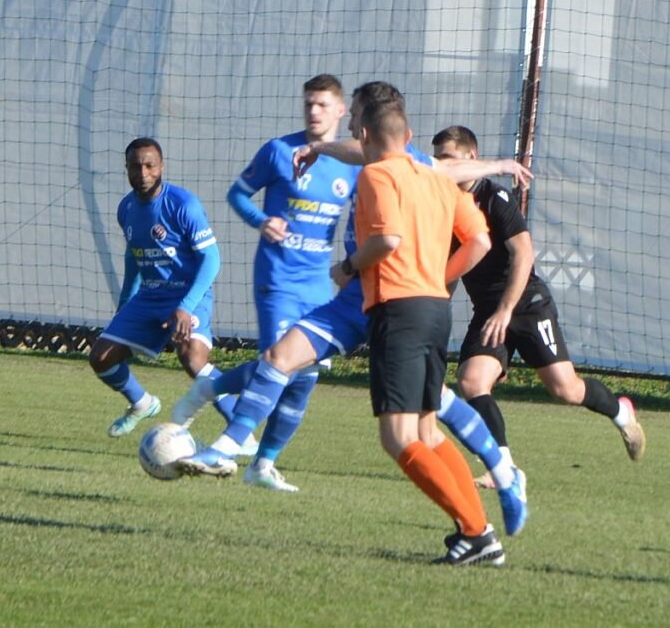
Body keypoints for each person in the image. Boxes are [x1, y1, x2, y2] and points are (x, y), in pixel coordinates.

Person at [176, 83, 527, 540]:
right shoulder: (386, 160)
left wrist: (374, 270)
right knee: (281, 358)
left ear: (366, 126)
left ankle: (498, 483)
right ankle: (228, 447)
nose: (350, 129)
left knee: (426, 418)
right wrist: (319, 148)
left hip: (392, 300)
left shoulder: (407, 168)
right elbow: (468, 227)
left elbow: (435, 219)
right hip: (365, 300)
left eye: (353, 118)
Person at [432, 125, 646, 485]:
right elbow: (451, 267)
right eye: (438, 159)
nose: (443, 166)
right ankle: (503, 468)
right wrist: (435, 310)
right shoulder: (442, 204)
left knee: (565, 389)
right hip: (490, 312)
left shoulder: (496, 198)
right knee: (471, 382)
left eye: (448, 158)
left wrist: (506, 309)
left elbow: (524, 253)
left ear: (471, 157)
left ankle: (621, 412)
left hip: (528, 306)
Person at [171, 74, 361, 465]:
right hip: (278, 279)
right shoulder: (278, 151)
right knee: (278, 363)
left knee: (304, 376)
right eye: (308, 103)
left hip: (318, 286)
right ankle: (227, 444)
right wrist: (261, 221)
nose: (313, 111)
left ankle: (260, 461)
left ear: (341, 111)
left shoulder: (351, 163)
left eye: (322, 104)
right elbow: (237, 195)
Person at [349, 95, 504, 566]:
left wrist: (347, 267)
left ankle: (477, 533)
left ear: (364, 134)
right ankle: (477, 532)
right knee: (427, 431)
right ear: (411, 138)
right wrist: (438, 277)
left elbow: (387, 238)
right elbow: (480, 240)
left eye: (354, 123)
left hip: (400, 310)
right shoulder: (437, 178)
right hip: (436, 309)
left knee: (398, 437)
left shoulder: (376, 175)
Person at [88, 137, 221, 438]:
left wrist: (185, 307)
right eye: (136, 166)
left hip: (187, 293)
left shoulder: (183, 204)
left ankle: (242, 429)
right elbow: (134, 257)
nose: (143, 173)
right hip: (150, 296)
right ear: (126, 168)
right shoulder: (126, 208)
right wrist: (125, 304)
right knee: (101, 357)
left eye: (150, 166)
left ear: (161, 166)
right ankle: (142, 403)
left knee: (192, 358)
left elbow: (211, 258)